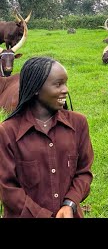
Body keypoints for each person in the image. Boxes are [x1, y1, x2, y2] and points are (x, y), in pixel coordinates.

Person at [0, 57, 94, 218]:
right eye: (58, 84)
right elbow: (7, 189)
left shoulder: (79, 123)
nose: (66, 90)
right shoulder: (7, 132)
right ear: (36, 88)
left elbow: (84, 172)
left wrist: (69, 204)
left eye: (65, 83)